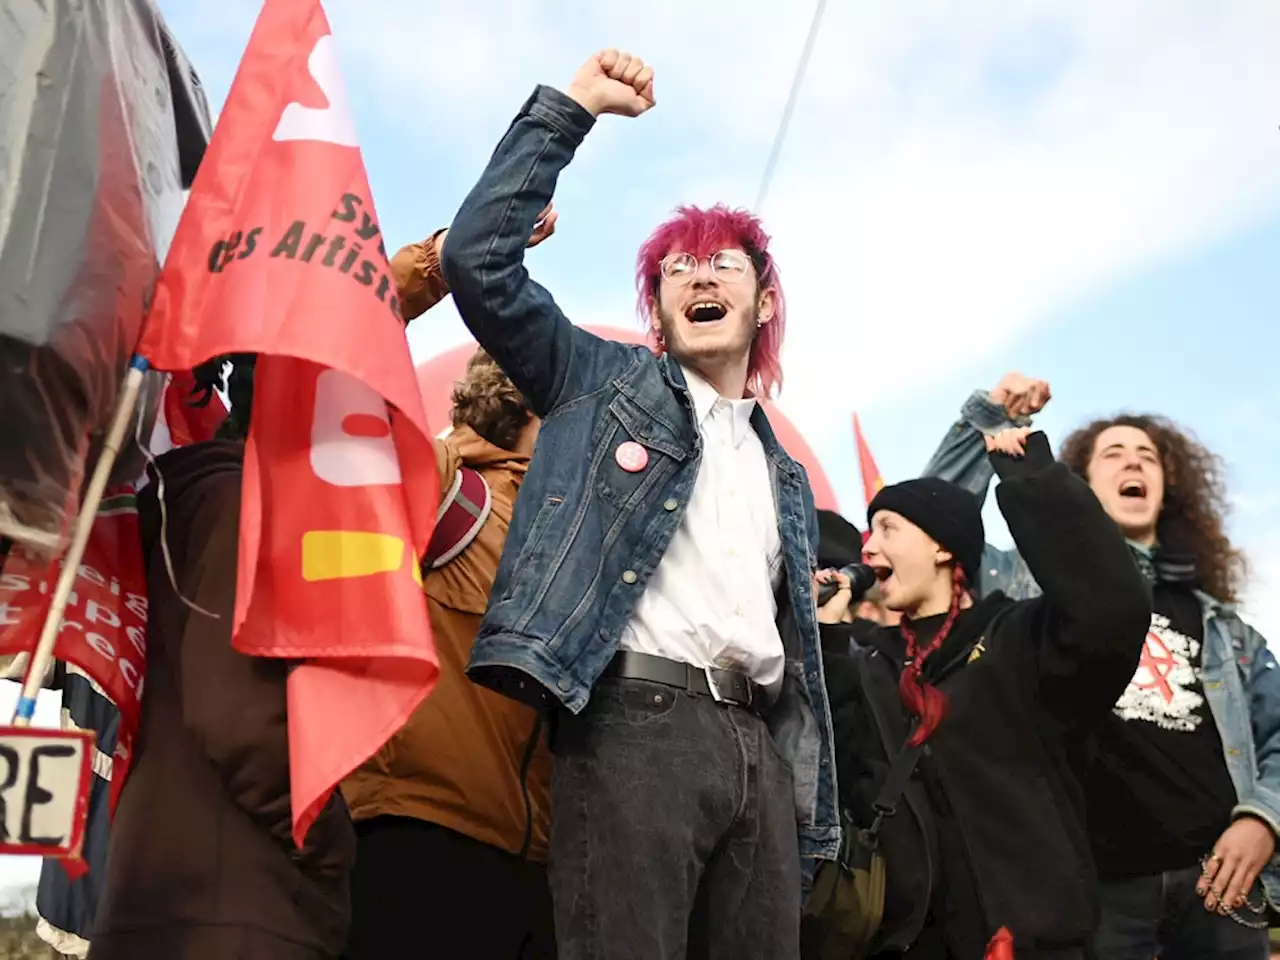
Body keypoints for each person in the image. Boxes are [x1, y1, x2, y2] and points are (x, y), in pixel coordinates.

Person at [439, 48, 838, 960]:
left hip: (760, 750)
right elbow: (479, 261)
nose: (702, 279)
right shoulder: (596, 383)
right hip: (635, 725)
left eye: (724, 266)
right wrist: (572, 109)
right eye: (679, 270)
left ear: (763, 300)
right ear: (655, 313)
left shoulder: (784, 474)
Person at [88, 227, 492, 960]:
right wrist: (325, 837)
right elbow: (239, 712)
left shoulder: (206, 497)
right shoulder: (231, 500)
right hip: (229, 913)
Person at [923, 374, 1280, 959]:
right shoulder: (1018, 585)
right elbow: (929, 521)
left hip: (1217, 887)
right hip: (1090, 884)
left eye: (1147, 456)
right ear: (1081, 482)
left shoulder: (1226, 628)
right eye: (1112, 453)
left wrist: (1263, 819)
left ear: (1168, 488)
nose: (1132, 462)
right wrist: (988, 423)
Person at [814, 429, 1149, 959]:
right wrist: (828, 637)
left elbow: (1111, 613)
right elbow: (841, 773)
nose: (868, 545)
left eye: (887, 528)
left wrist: (1032, 481)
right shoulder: (869, 661)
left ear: (943, 545)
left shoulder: (1017, 640)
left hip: (1031, 941)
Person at [341, 341, 555, 958]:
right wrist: (431, 270)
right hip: (416, 838)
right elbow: (345, 397)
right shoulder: (439, 477)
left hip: (536, 862)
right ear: (529, 406)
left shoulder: (566, 530)